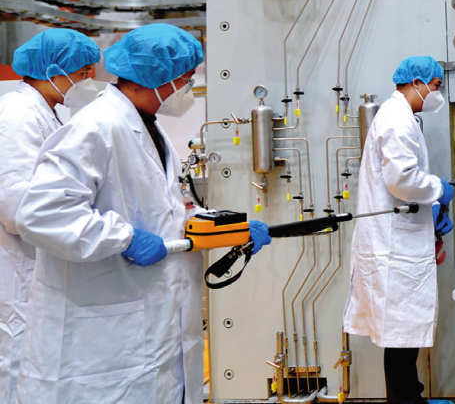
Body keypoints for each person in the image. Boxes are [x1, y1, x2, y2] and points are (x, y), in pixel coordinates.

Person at [14, 24, 271, 404]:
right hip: (101, 335)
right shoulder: (96, 127)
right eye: (186, 78)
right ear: (158, 77)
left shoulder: (148, 127)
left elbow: (167, 206)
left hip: (148, 320)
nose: (189, 87)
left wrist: (226, 226)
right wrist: (126, 238)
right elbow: (42, 214)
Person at [342, 56, 454, 404]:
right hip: (394, 249)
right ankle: (406, 401)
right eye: (435, 86)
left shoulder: (402, 116)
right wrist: (438, 188)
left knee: (402, 336)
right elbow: (402, 180)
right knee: (400, 336)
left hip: (398, 241)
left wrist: (431, 209)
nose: (437, 94)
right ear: (416, 82)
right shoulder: (396, 119)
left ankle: (409, 398)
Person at [0, 29, 101, 403]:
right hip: (20, 266)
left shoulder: (44, 113)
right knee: (17, 359)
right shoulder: (18, 115)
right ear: (53, 70)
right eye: (83, 72)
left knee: (36, 363)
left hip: (37, 263)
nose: (89, 81)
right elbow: (16, 209)